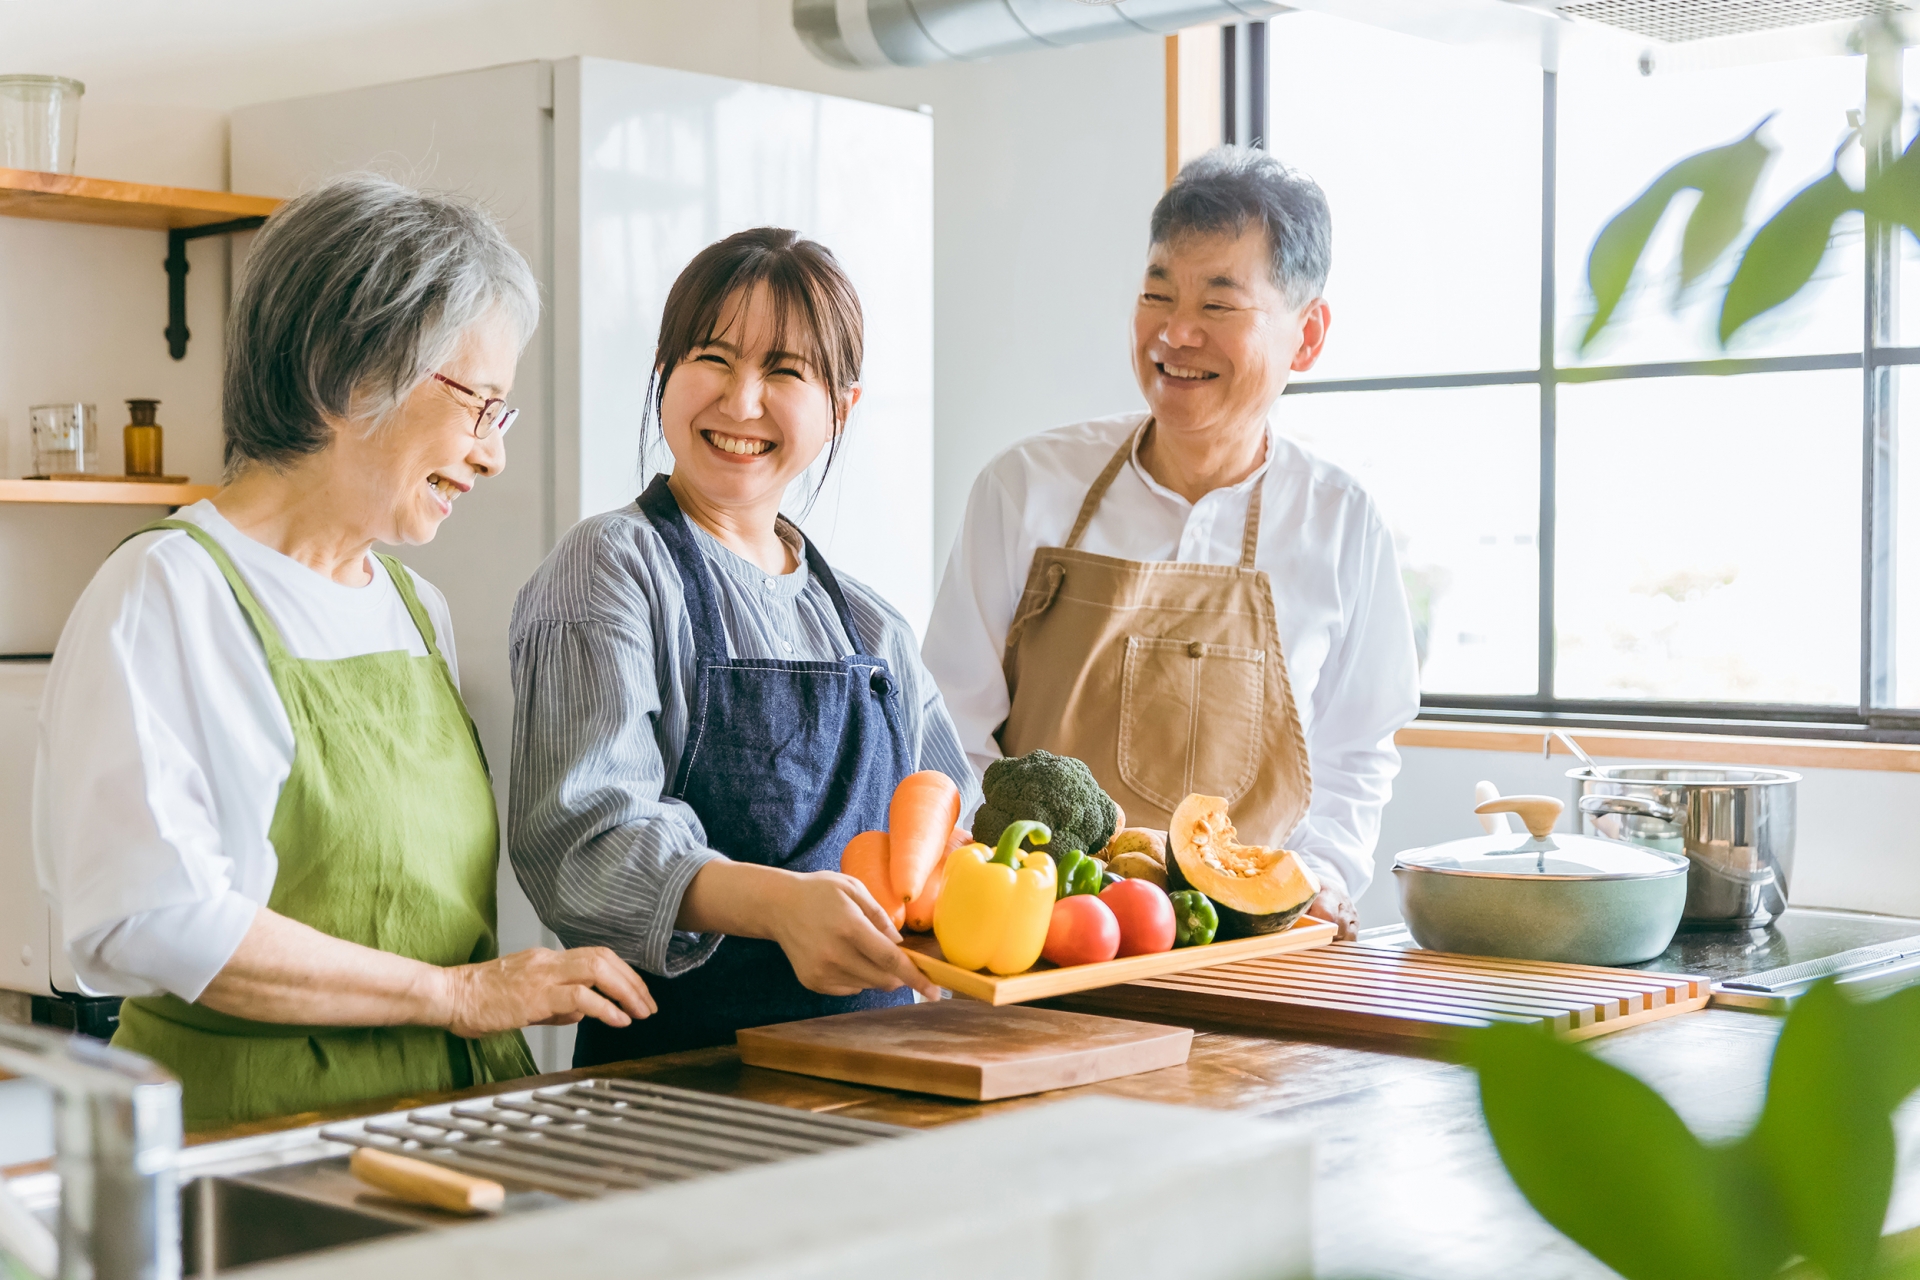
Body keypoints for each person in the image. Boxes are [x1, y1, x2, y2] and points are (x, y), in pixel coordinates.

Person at [34, 175, 653, 1129]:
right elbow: (148, 917)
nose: (491, 453)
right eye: (478, 404)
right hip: (258, 1130)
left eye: (503, 414)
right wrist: (455, 995)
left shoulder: (414, 608)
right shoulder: (168, 592)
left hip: (450, 1117)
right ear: (347, 376)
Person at [923, 147, 1420, 939]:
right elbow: (948, 724)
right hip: (1041, 938)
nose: (1175, 332)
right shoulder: (1024, 487)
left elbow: (1356, 751)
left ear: (1308, 335)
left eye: (1219, 305)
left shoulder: (1342, 522)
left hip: (1251, 955)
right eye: (1157, 294)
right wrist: (1002, 880)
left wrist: (1318, 877)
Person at [509, 227, 972, 1064]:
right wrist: (781, 907)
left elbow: (955, 836)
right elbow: (583, 844)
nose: (741, 400)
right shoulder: (610, 568)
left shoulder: (871, 627)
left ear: (841, 409)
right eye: (713, 359)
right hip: (680, 1088)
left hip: (888, 1074)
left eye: (785, 372)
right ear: (664, 373)